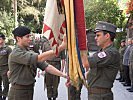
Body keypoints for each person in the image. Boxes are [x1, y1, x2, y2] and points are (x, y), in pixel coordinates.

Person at [7, 26, 68, 100]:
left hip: (29, 89)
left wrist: (64, 75)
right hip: (18, 92)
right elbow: (40, 58)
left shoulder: (29, 52)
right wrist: (61, 47)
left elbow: (46, 66)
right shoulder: (16, 53)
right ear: (18, 38)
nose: (30, 39)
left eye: (30, 36)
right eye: (27, 37)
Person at [86, 21, 120, 100]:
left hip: (100, 96)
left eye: (98, 35)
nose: (95, 38)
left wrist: (78, 47)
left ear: (107, 36)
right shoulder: (101, 51)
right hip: (96, 95)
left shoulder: (111, 53)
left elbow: (87, 62)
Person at [0, 33, 12, 100]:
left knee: (6, 84)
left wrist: (10, 70)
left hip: (5, 69)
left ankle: (4, 97)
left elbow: (10, 60)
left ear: (4, 40)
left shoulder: (8, 49)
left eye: (0, 39)